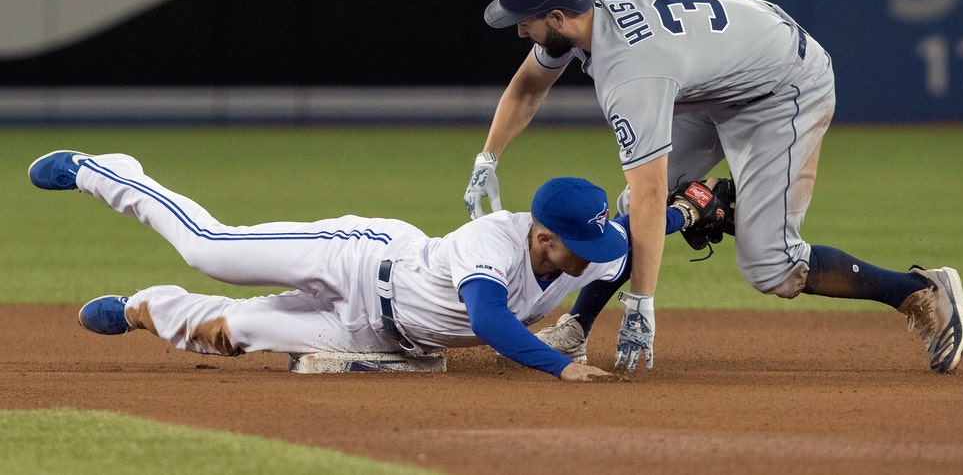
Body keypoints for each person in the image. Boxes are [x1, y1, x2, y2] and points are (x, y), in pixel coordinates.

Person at [464, 0, 963, 374]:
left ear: (557, 17)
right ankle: (580, 325)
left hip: (782, 88)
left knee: (771, 267)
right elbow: (530, 86)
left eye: (523, 20)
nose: (517, 30)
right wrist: (488, 156)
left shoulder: (633, 73)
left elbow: (647, 192)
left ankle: (919, 291)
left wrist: (641, 301)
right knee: (633, 207)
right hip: (716, 74)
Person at [28, 149, 717, 381]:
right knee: (210, 248)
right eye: (579, 246)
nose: (593, 255)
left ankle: (143, 309)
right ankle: (106, 172)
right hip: (362, 262)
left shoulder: (598, 242)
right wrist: (560, 363)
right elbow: (489, 320)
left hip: (380, 338)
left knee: (230, 333)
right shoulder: (494, 245)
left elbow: (631, 240)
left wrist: (689, 210)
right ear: (542, 238)